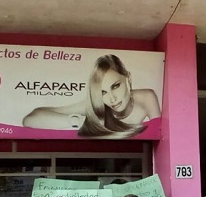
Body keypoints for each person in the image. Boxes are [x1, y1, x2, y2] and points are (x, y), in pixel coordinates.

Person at [22, 54, 161, 139]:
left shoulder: (146, 97)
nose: (112, 99)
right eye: (103, 92)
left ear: (128, 78)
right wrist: (83, 122)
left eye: (115, 86)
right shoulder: (96, 106)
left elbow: (160, 136)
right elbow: (30, 120)